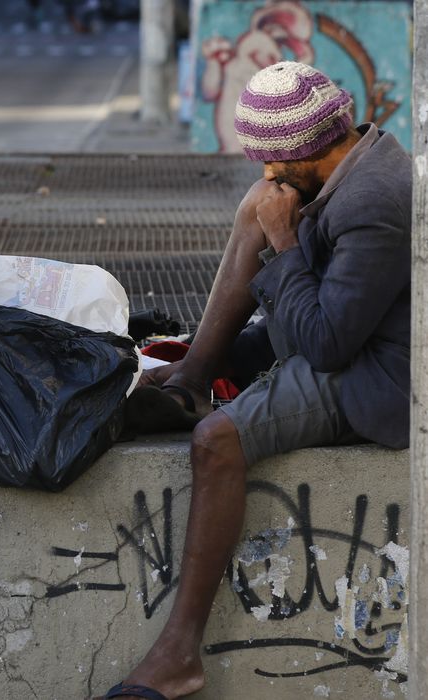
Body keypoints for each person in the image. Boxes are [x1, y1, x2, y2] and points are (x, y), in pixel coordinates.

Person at [104, 61, 411, 700]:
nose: (265, 174)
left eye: (271, 163)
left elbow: (324, 347)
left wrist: (285, 242)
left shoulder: (373, 202)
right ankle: (189, 376)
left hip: (375, 376)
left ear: (303, 153)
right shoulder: (352, 165)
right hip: (337, 330)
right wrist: (269, 227)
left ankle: (178, 652)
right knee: (256, 215)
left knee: (216, 440)